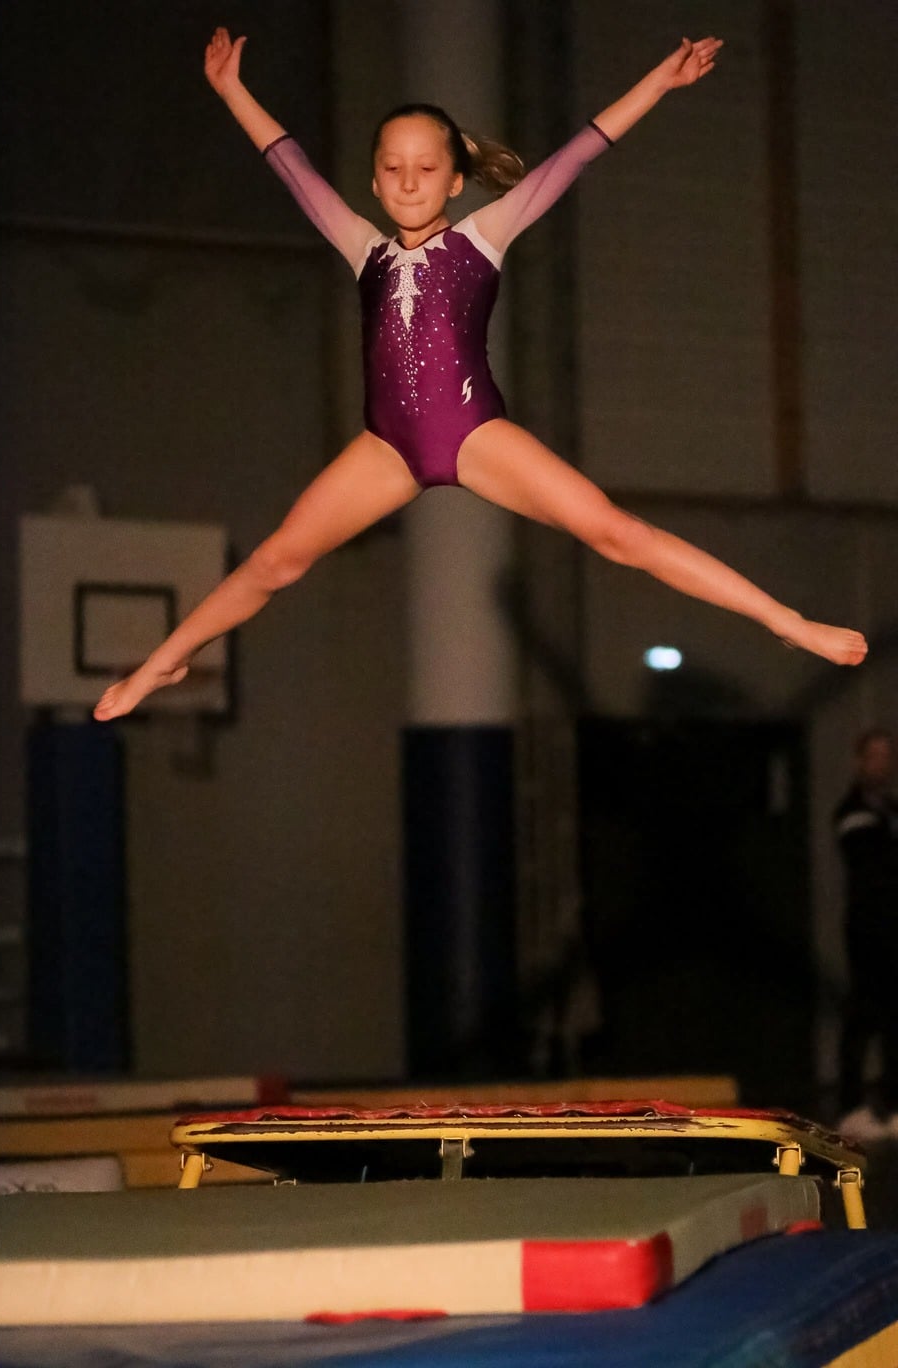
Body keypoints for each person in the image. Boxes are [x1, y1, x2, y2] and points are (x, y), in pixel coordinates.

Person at [94, 29, 867, 722]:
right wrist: (231, 89)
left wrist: (660, 83)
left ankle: (786, 621)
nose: (408, 181)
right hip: (387, 446)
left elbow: (580, 150)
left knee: (617, 534)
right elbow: (290, 166)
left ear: (455, 181)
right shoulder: (363, 247)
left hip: (472, 433)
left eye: (426, 168)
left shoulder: (482, 237)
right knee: (275, 561)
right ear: (374, 181)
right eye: (392, 169)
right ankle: (163, 662)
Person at [834, 729, 898, 1140]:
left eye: (887, 756)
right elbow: (873, 862)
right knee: (863, 1013)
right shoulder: (852, 812)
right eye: (873, 756)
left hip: (894, 928)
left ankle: (891, 1103)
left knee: (894, 1017)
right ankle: (851, 1106)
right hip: (869, 929)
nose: (882, 764)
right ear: (859, 762)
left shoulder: (890, 811)